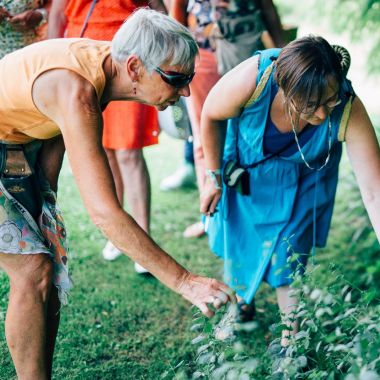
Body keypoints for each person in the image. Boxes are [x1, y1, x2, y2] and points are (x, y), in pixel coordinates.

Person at [0, 9, 235, 379]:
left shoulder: (102, 68)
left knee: (48, 266)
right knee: (33, 270)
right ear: (135, 68)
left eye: (189, 78)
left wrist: (43, 200)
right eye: (177, 78)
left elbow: (53, 135)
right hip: (6, 140)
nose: (187, 90)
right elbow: (105, 213)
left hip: (17, 143)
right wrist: (184, 281)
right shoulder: (77, 89)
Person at [200, 36, 380, 345]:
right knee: (241, 236)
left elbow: (375, 190)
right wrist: (213, 176)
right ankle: (243, 302)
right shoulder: (253, 78)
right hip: (248, 171)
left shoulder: (349, 108)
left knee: (291, 251)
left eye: (329, 100)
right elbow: (210, 115)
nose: (323, 115)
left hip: (306, 180)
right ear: (285, 89)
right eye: (311, 105)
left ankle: (291, 341)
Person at [48, 0, 166, 272]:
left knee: (128, 151)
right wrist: (54, 60)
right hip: (81, 60)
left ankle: (143, 238)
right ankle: (121, 235)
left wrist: (159, 57)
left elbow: (158, 10)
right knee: (107, 151)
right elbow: (57, 16)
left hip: (130, 63)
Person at [166, 0, 285, 238]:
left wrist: (286, 52)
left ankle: (251, 214)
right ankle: (210, 216)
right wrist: (178, 59)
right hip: (204, 55)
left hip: (249, 53)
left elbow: (267, 7)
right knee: (204, 135)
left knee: (251, 134)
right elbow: (177, 8)